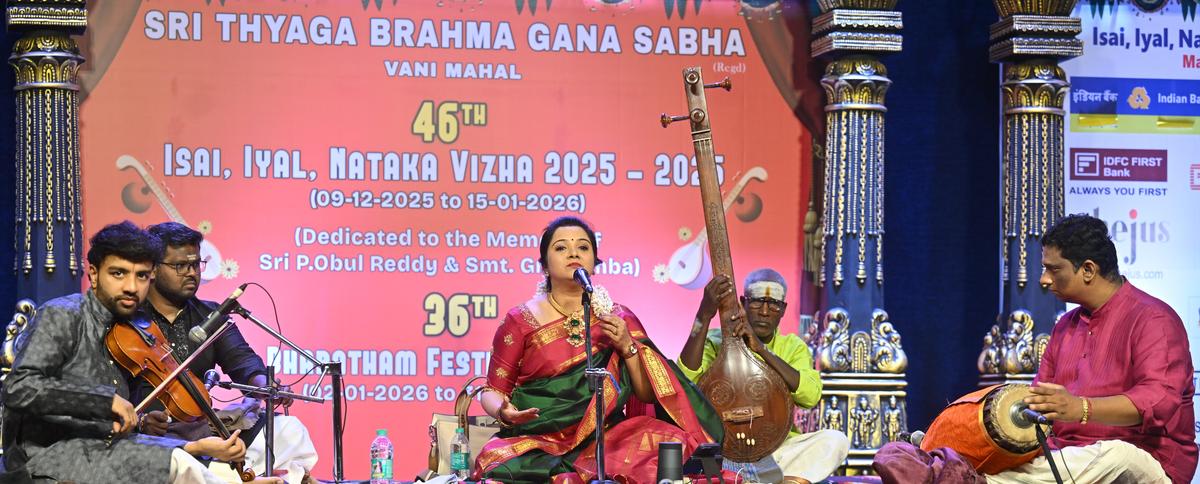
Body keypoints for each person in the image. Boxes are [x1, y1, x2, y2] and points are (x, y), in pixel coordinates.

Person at [1, 221, 281, 484]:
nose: (132, 287)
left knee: (196, 460)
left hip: (107, 451)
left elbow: (119, 439)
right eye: (118, 273)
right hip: (53, 455)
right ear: (94, 274)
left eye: (142, 276)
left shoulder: (133, 327)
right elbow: (18, 388)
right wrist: (102, 401)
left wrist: (189, 444)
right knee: (180, 465)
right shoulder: (64, 314)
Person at [473, 216, 724, 483]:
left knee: (674, 445)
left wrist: (627, 346)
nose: (573, 253)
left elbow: (647, 394)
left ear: (594, 262)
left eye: (583, 247)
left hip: (608, 436)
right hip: (538, 439)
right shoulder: (520, 320)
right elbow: (493, 391)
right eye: (560, 248)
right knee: (497, 464)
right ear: (544, 265)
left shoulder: (618, 318)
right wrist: (503, 411)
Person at [988, 214, 1196, 484]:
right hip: (1070, 459)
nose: (1044, 280)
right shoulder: (1065, 325)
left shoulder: (1154, 320)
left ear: (1088, 270)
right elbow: (1042, 399)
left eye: (1054, 269)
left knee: (1117, 455)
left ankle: (976, 480)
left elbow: (1157, 403)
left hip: (1147, 460)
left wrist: (1081, 408)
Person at [132, 222, 317, 484]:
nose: (191, 273)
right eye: (180, 266)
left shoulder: (210, 315)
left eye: (196, 264)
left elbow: (243, 362)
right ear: (152, 268)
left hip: (202, 427)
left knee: (289, 431)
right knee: (189, 466)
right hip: (154, 435)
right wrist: (139, 421)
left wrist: (265, 385)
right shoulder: (129, 318)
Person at [678, 269, 850, 484]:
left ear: (783, 310)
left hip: (775, 453)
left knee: (835, 440)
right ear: (743, 302)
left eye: (774, 304)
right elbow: (685, 379)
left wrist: (762, 350)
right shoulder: (715, 340)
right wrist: (703, 315)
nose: (765, 311)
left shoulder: (792, 346)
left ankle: (755, 479)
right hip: (725, 452)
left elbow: (810, 395)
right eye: (758, 302)